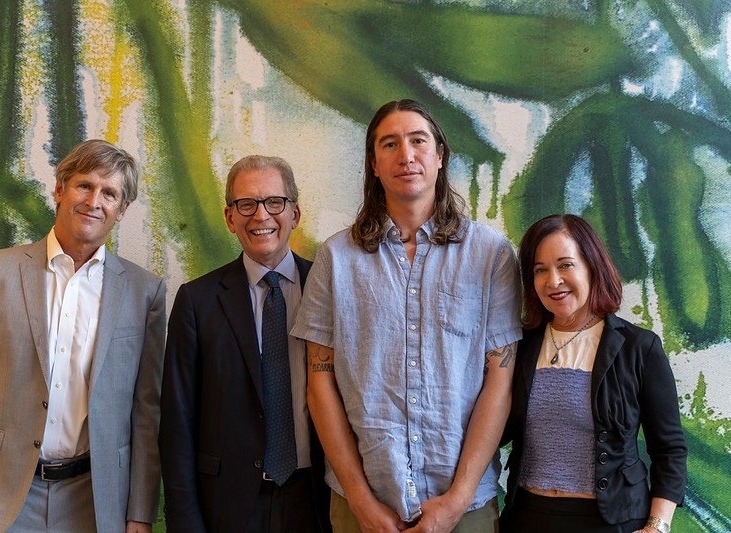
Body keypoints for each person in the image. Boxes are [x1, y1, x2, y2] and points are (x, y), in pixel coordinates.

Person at [291, 99, 522, 532]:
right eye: (390, 144)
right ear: (374, 164)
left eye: (418, 141)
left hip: (466, 506)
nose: (406, 155)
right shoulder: (335, 258)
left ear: (440, 156)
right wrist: (360, 501)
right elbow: (319, 383)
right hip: (362, 504)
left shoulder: (491, 255)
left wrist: (456, 501)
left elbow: (499, 383)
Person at [0, 139, 166, 533]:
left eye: (109, 193)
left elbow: (147, 412)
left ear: (122, 210)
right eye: (84, 185)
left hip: (94, 501)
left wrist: (140, 512)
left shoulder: (146, 293)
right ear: (60, 190)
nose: (95, 201)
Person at [159, 155, 331, 532]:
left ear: (295, 213)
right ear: (229, 217)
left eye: (274, 202)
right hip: (228, 506)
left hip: (319, 502)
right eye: (246, 204)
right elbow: (177, 426)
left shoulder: (330, 289)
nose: (261, 216)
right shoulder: (196, 302)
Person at [500, 214, 687, 533]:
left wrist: (657, 525)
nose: (553, 281)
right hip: (527, 517)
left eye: (566, 265)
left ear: (592, 266)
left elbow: (669, 449)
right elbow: (495, 429)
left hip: (612, 521)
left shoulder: (639, 347)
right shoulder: (519, 346)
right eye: (540, 270)